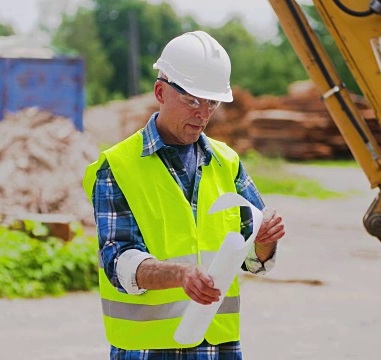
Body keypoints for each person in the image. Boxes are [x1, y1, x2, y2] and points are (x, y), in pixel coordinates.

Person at [82, 30, 285, 359]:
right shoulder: (118, 166)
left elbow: (253, 259)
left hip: (219, 346)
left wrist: (265, 239)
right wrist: (180, 275)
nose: (203, 113)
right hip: (148, 348)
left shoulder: (226, 163)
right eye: (193, 100)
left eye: (212, 102)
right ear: (160, 91)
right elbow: (118, 261)